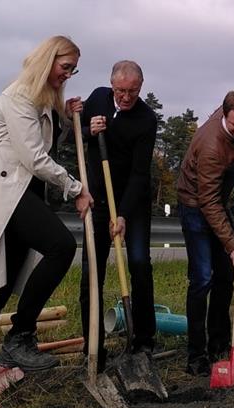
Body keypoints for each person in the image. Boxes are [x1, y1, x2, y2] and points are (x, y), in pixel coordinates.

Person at [0, 35, 94, 408]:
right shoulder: (19, 96)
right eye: (65, 67)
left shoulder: (41, 97)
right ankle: (20, 335)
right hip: (2, 193)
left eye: (74, 70)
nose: (68, 75)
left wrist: (66, 115)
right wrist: (76, 188)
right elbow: (34, 158)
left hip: (18, 192)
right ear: (48, 61)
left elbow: (43, 140)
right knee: (61, 246)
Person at [78, 60, 158, 369]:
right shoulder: (98, 98)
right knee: (92, 271)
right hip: (97, 198)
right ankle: (93, 346)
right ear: (112, 86)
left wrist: (123, 214)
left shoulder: (146, 119)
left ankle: (143, 341)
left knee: (138, 264)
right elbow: (74, 133)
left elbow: (140, 174)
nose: (126, 97)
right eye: (121, 91)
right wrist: (88, 129)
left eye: (133, 91)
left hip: (133, 203)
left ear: (141, 87)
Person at [176, 91, 234, 376]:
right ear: (224, 115)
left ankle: (219, 343)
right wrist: (232, 243)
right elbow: (208, 202)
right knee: (203, 277)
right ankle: (196, 355)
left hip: (216, 204)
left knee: (225, 276)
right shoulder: (211, 147)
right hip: (196, 206)